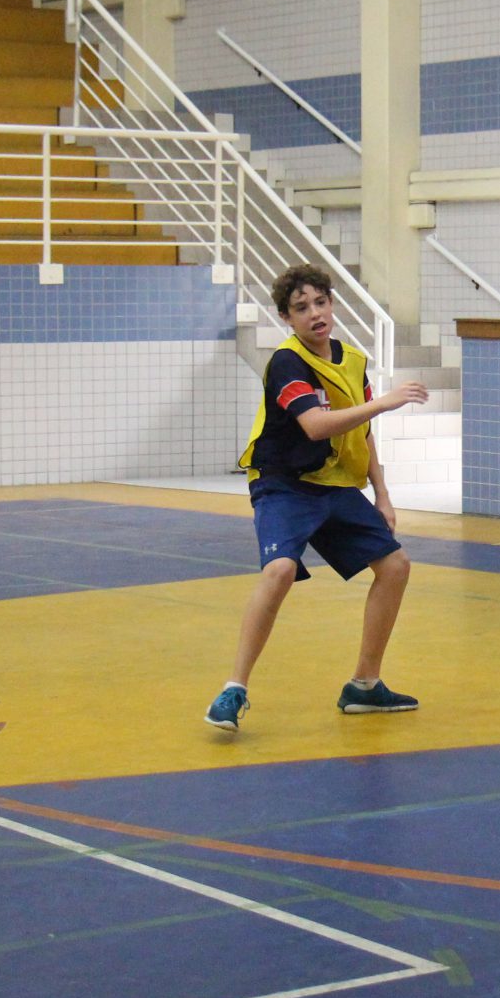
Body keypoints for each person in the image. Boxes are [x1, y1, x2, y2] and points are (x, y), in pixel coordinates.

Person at [205, 264, 430, 731]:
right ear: (287, 318)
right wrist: (382, 402)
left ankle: (365, 684)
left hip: (334, 484)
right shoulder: (287, 363)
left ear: (332, 304)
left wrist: (383, 494)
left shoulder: (352, 360)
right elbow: (315, 425)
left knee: (395, 565)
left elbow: (361, 430)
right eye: (301, 308)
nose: (315, 314)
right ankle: (233, 689)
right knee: (280, 570)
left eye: (321, 302)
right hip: (283, 484)